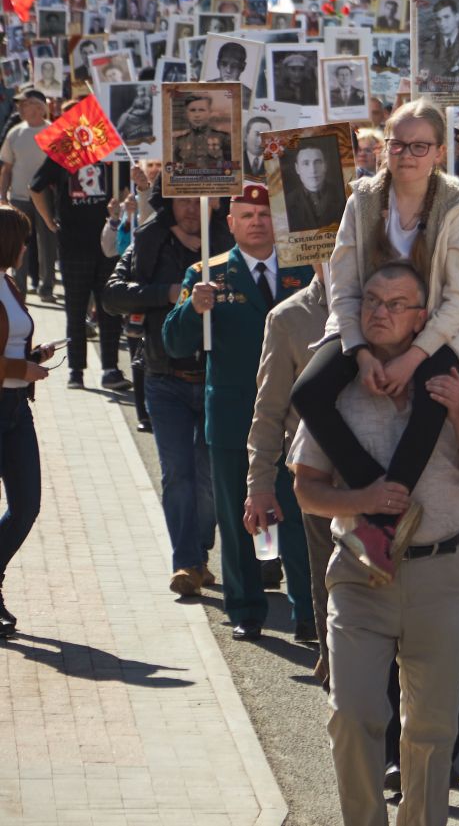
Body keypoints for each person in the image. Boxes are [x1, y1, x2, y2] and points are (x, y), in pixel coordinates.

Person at [290, 263, 459, 826]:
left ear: (421, 318)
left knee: (433, 728)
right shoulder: (336, 390)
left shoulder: (458, 381)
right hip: (359, 573)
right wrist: (361, 498)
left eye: (396, 304)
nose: (380, 313)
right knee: (352, 712)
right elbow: (306, 490)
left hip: (441, 573)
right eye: (373, 302)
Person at [288, 100, 459, 580]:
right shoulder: (363, 199)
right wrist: (359, 350)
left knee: (436, 394)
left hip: (432, 330)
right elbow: (344, 281)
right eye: (397, 144)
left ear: (439, 152)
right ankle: (379, 503)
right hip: (365, 322)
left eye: (419, 146)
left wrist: (412, 358)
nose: (406, 155)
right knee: (309, 391)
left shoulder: (455, 207)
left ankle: (383, 521)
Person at [162, 185, 317, 642]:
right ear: (230, 223)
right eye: (246, 214)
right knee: (237, 517)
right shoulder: (207, 273)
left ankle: (307, 610)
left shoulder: (305, 270)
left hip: (296, 415)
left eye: (264, 214)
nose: (256, 222)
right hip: (235, 415)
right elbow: (174, 343)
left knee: (299, 513)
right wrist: (194, 308)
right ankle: (246, 608)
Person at [106, 185, 225, 597]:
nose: (193, 209)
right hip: (164, 376)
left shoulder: (229, 239)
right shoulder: (149, 240)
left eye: (201, 200)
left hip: (216, 378)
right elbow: (114, 294)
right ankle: (186, 562)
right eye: (184, 200)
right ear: (169, 202)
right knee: (178, 475)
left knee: (209, 478)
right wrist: (170, 294)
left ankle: (201, 555)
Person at [244, 266, 334, 678]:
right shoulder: (288, 318)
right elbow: (269, 411)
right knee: (331, 582)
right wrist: (260, 485)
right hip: (321, 482)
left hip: (388, 475)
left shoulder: (388, 305)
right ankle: (337, 670)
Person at [0, 205, 54, 636]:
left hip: (17, 410)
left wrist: (32, 359)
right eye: (23, 237)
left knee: (27, 506)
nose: (27, 246)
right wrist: (22, 370)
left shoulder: (10, 284)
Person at [29, 157, 127, 390]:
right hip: (73, 245)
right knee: (75, 309)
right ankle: (76, 371)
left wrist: (119, 212)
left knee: (109, 309)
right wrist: (49, 221)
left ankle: (110, 369)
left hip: (108, 245)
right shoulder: (63, 153)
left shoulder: (113, 153)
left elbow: (125, 190)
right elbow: (35, 187)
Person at [0, 91, 53, 297]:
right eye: (22, 105)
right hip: (19, 198)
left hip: (46, 199)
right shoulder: (15, 133)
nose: (23, 108)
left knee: (47, 244)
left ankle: (46, 286)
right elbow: (6, 169)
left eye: (29, 103)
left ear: (41, 107)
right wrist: (3, 195)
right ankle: (18, 288)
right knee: (17, 244)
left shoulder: (53, 132)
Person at [283, 140, 347, 235]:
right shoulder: (286, 203)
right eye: (306, 163)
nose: (313, 170)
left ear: (325, 165)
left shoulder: (344, 195)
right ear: (297, 168)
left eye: (317, 162)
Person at [418, 0, 459, 80]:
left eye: (446, 17)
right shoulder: (430, 46)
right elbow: (425, 73)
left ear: (457, 17)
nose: (442, 23)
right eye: (438, 19)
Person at [171, 91, 233, 170]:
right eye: (192, 110)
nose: (197, 115)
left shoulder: (223, 138)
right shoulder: (179, 140)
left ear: (210, 112)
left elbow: (232, 168)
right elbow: (174, 170)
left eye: (201, 110)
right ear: (186, 113)